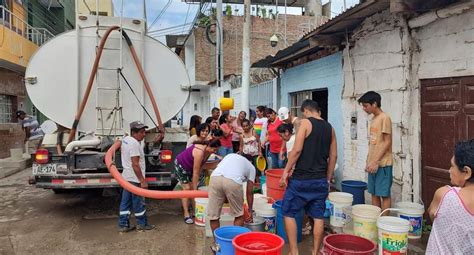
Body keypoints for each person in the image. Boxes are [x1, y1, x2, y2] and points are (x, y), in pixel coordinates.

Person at [279, 100, 337, 255]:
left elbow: (296, 150)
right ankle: (315, 251)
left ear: (306, 110)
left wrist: (286, 171)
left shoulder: (305, 123)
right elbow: (334, 155)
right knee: (318, 216)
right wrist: (328, 178)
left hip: (301, 180)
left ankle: (294, 251)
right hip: (320, 180)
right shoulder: (330, 128)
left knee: (288, 212)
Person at [426, 140, 474, 254]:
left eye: (452, 166)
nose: (449, 170)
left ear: (466, 172)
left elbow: (432, 214)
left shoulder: (444, 195)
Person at [208, 153, 256, 252]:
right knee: (239, 215)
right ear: (250, 161)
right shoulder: (251, 167)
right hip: (232, 180)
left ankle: (217, 245)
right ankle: (234, 246)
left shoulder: (230, 156)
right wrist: (250, 210)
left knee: (214, 215)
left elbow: (222, 177)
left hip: (214, 178)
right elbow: (250, 192)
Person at [358, 91, 393, 215]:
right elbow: (374, 143)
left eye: (366, 105)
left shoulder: (385, 118)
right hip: (373, 163)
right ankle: (376, 220)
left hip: (383, 164)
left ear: (375, 104)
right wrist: (369, 161)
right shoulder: (373, 119)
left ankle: (384, 223)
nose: (364, 108)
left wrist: (376, 161)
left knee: (384, 194)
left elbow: (387, 142)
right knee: (373, 193)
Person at [118, 121, 155, 232]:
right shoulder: (134, 144)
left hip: (127, 178)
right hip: (134, 179)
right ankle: (142, 224)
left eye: (144, 132)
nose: (144, 134)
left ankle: (123, 225)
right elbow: (135, 164)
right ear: (134, 132)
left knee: (126, 202)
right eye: (142, 132)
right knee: (139, 203)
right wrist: (142, 181)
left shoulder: (126, 140)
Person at [174, 139, 221, 224]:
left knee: (192, 189)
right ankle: (186, 214)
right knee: (187, 189)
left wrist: (217, 163)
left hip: (189, 167)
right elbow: (196, 172)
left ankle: (195, 212)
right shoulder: (199, 152)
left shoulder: (207, 152)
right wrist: (195, 190)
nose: (215, 151)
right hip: (181, 165)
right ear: (208, 146)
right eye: (214, 149)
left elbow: (201, 167)